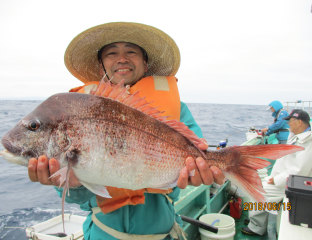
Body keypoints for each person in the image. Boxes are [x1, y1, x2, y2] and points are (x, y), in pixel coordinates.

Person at [27, 22, 225, 240]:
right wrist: (72, 186)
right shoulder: (79, 111)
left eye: (131, 51)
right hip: (103, 234)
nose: (122, 58)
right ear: (101, 66)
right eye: (112, 53)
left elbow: (191, 169)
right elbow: (80, 199)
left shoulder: (177, 110)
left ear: (146, 63)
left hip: (164, 233)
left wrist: (196, 171)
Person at [242, 109, 312, 236]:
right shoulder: (299, 136)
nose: (288, 124)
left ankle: (256, 227)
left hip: (290, 184)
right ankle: (256, 219)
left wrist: (276, 180)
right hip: (283, 178)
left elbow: (300, 170)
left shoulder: (309, 142)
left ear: (299, 122)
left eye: (290, 121)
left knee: (257, 192)